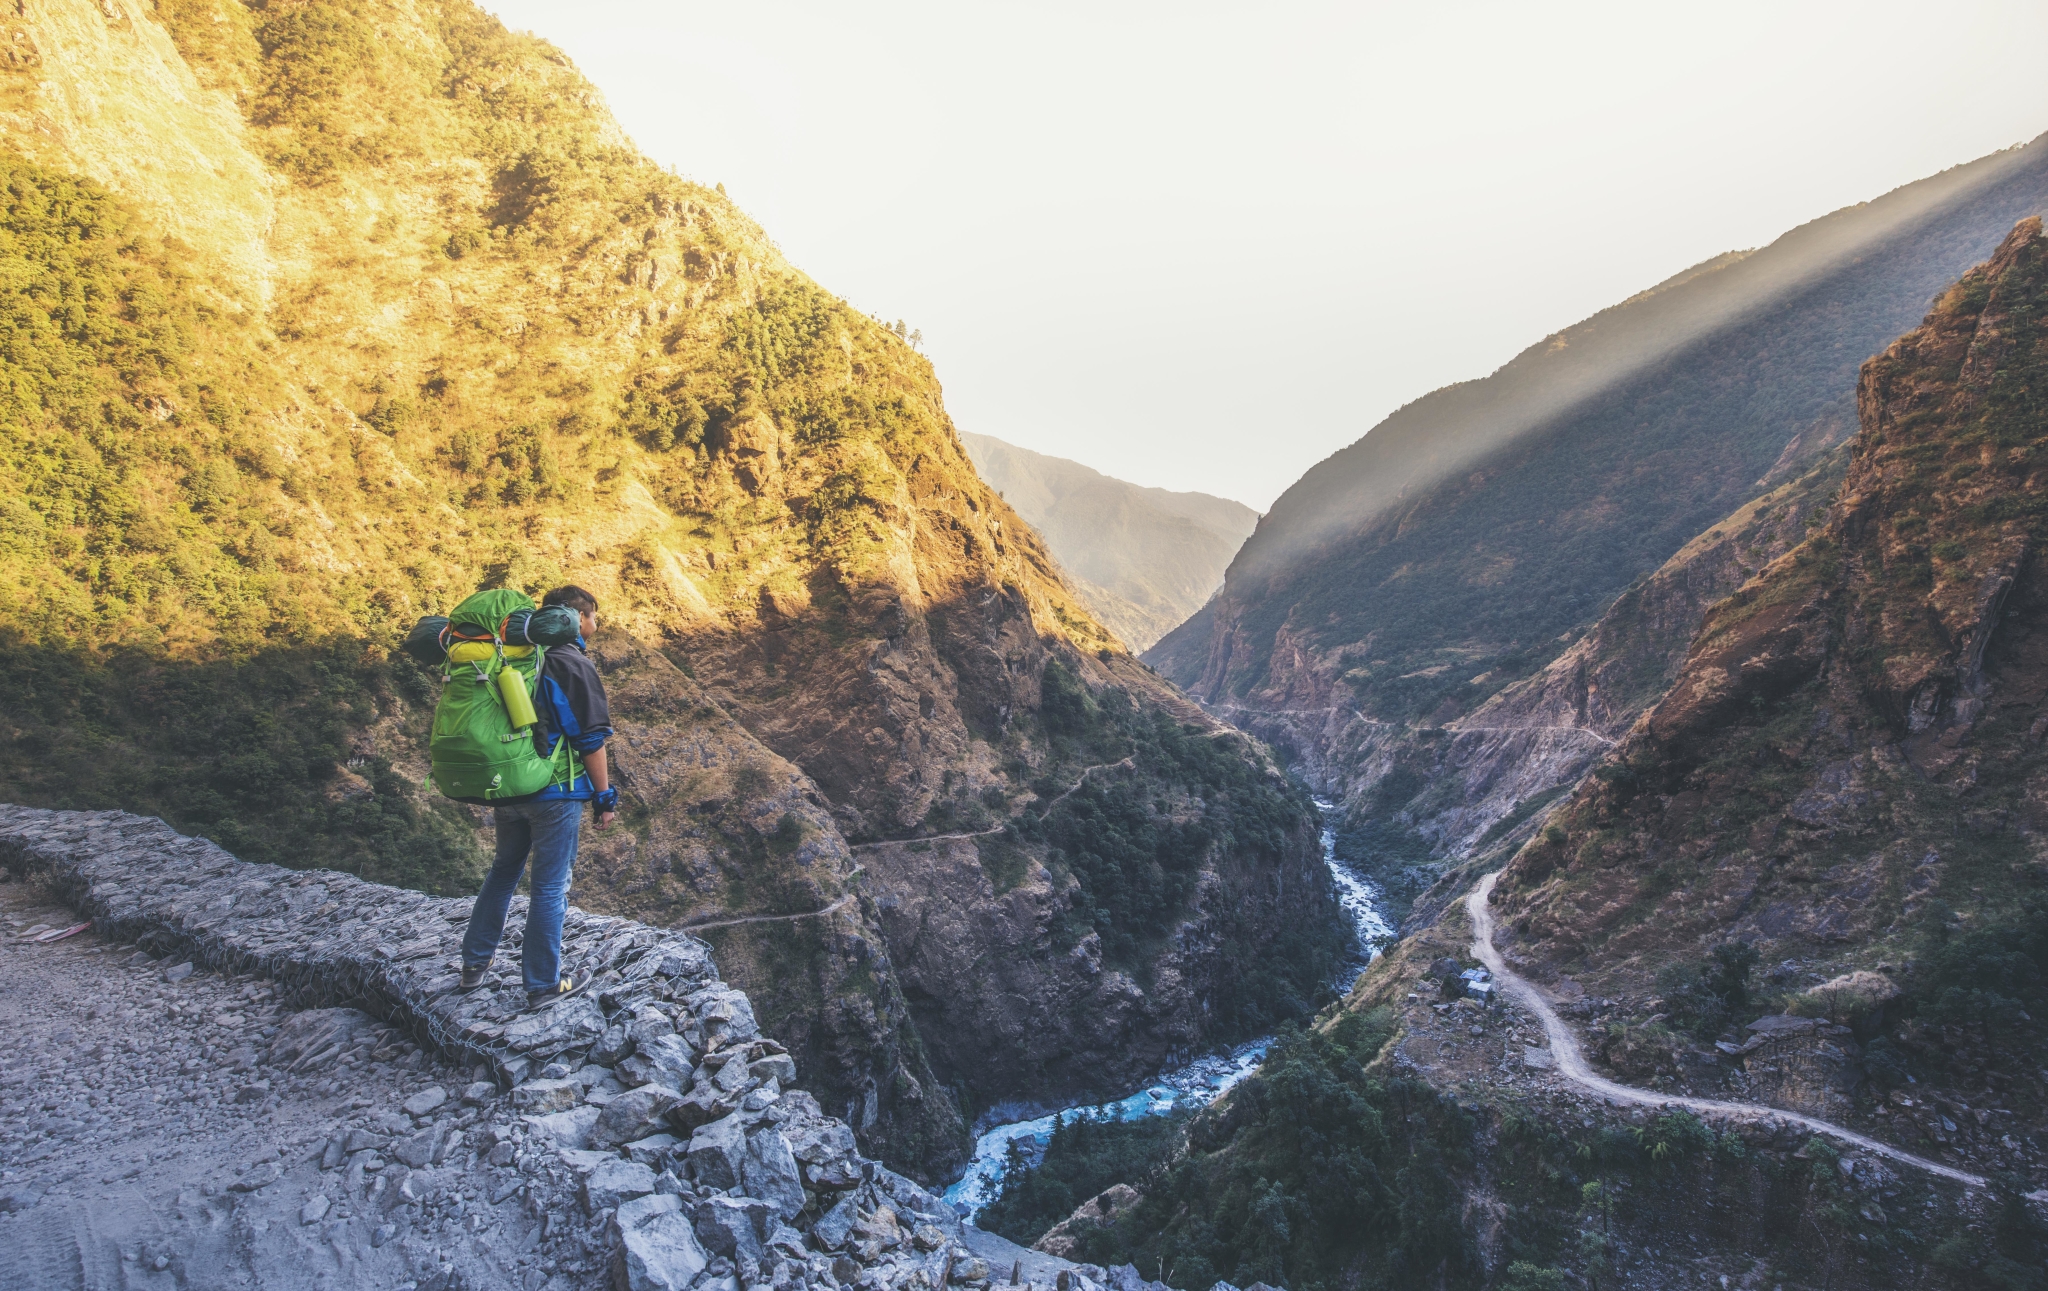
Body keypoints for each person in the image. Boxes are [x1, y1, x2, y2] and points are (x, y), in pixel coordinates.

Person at [458, 585, 620, 1005]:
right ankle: (543, 985)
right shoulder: (570, 662)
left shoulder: (516, 656)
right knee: (550, 888)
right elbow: (591, 738)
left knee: (503, 872)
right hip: (554, 791)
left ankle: (474, 965)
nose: (596, 625)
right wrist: (603, 799)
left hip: (508, 786)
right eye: (593, 617)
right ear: (578, 618)